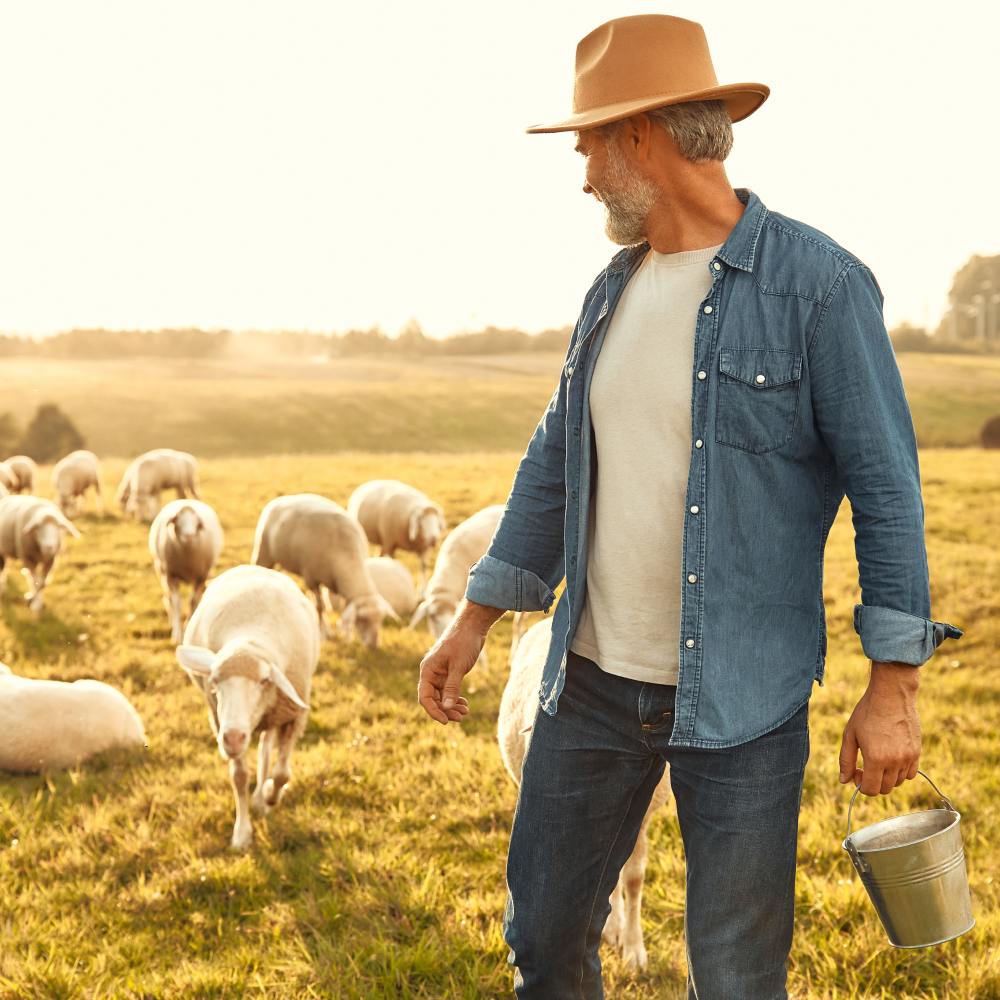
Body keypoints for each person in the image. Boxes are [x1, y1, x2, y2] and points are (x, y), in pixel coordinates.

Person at [416, 14, 961, 1000]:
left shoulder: (819, 288)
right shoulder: (608, 291)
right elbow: (553, 465)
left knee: (735, 975)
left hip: (743, 702)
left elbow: (886, 492)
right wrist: (475, 615)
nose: (580, 170)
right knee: (543, 940)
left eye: (586, 141)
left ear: (639, 136)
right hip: (588, 683)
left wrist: (893, 688)